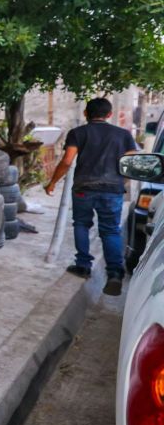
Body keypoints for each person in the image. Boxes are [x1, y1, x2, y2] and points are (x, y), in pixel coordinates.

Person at [45, 97, 138, 296]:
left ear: (85, 113)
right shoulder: (124, 135)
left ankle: (83, 266)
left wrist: (52, 182)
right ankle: (114, 273)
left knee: (81, 224)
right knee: (110, 231)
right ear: (109, 114)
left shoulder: (78, 133)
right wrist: (122, 183)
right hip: (112, 189)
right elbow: (131, 163)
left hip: (83, 188)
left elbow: (67, 161)